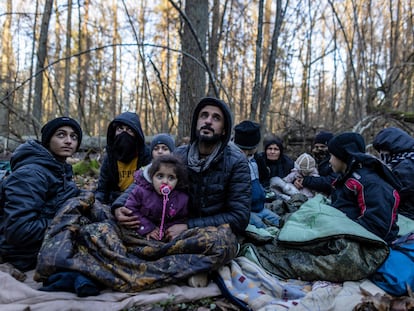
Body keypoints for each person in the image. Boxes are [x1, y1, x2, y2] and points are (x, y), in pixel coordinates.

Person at [112, 97, 251, 287]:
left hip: (203, 234)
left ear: (224, 130)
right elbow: (144, 179)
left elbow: (239, 217)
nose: (208, 121)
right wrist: (119, 206)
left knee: (223, 244)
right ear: (196, 123)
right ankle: (186, 268)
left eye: (216, 118)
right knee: (104, 220)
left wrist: (188, 226)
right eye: (204, 116)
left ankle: (146, 264)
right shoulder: (179, 154)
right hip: (166, 227)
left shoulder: (237, 162)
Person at [0, 117, 83, 271]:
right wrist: (71, 223)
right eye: (61, 135)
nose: (68, 141)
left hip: (48, 244)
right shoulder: (31, 174)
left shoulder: (60, 170)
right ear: (47, 140)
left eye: (74, 136)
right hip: (23, 255)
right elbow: (20, 231)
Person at [328, 132, 401, 244]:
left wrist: (340, 229)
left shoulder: (371, 183)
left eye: (332, 155)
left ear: (343, 155)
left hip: (369, 243)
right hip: (347, 234)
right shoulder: (347, 177)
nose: (329, 161)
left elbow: (377, 226)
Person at [124, 154, 189, 240]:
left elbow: (181, 219)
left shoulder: (182, 199)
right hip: (141, 231)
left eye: (171, 178)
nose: (165, 181)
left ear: (177, 181)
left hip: (165, 235)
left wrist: (165, 230)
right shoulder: (140, 191)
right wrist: (148, 228)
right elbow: (131, 209)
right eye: (160, 176)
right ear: (152, 177)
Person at [95, 112, 151, 204]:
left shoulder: (146, 156)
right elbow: (102, 189)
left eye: (129, 130)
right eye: (120, 129)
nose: (124, 133)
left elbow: (148, 188)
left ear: (136, 134)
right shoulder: (110, 158)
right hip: (113, 200)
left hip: (139, 201)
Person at [233, 120, 280, 229]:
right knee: (262, 229)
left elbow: (262, 179)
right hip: (246, 212)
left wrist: (263, 192)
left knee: (279, 221)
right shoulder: (233, 162)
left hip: (260, 207)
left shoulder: (255, 160)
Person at [373, 127, 414, 220]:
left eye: (382, 150)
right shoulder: (407, 160)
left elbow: (393, 194)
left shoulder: (407, 166)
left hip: (407, 218)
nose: (381, 154)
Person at [294, 131, 336, 196]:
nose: (319, 149)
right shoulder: (311, 159)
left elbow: (332, 181)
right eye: (316, 147)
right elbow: (299, 171)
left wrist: (306, 181)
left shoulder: (336, 161)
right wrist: (297, 180)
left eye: (323, 147)